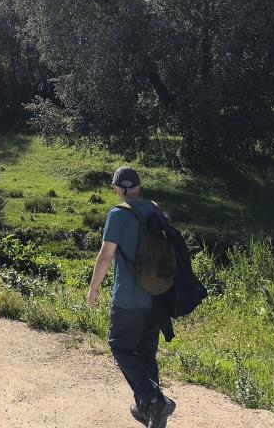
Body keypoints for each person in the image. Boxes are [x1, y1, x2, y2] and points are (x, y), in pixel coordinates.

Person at [87, 166, 176, 428]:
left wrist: (94, 287)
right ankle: (148, 409)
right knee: (146, 355)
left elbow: (106, 255)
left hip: (128, 297)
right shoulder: (155, 208)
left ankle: (152, 400)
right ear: (138, 186)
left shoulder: (118, 214)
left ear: (118, 188)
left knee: (120, 346)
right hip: (157, 295)